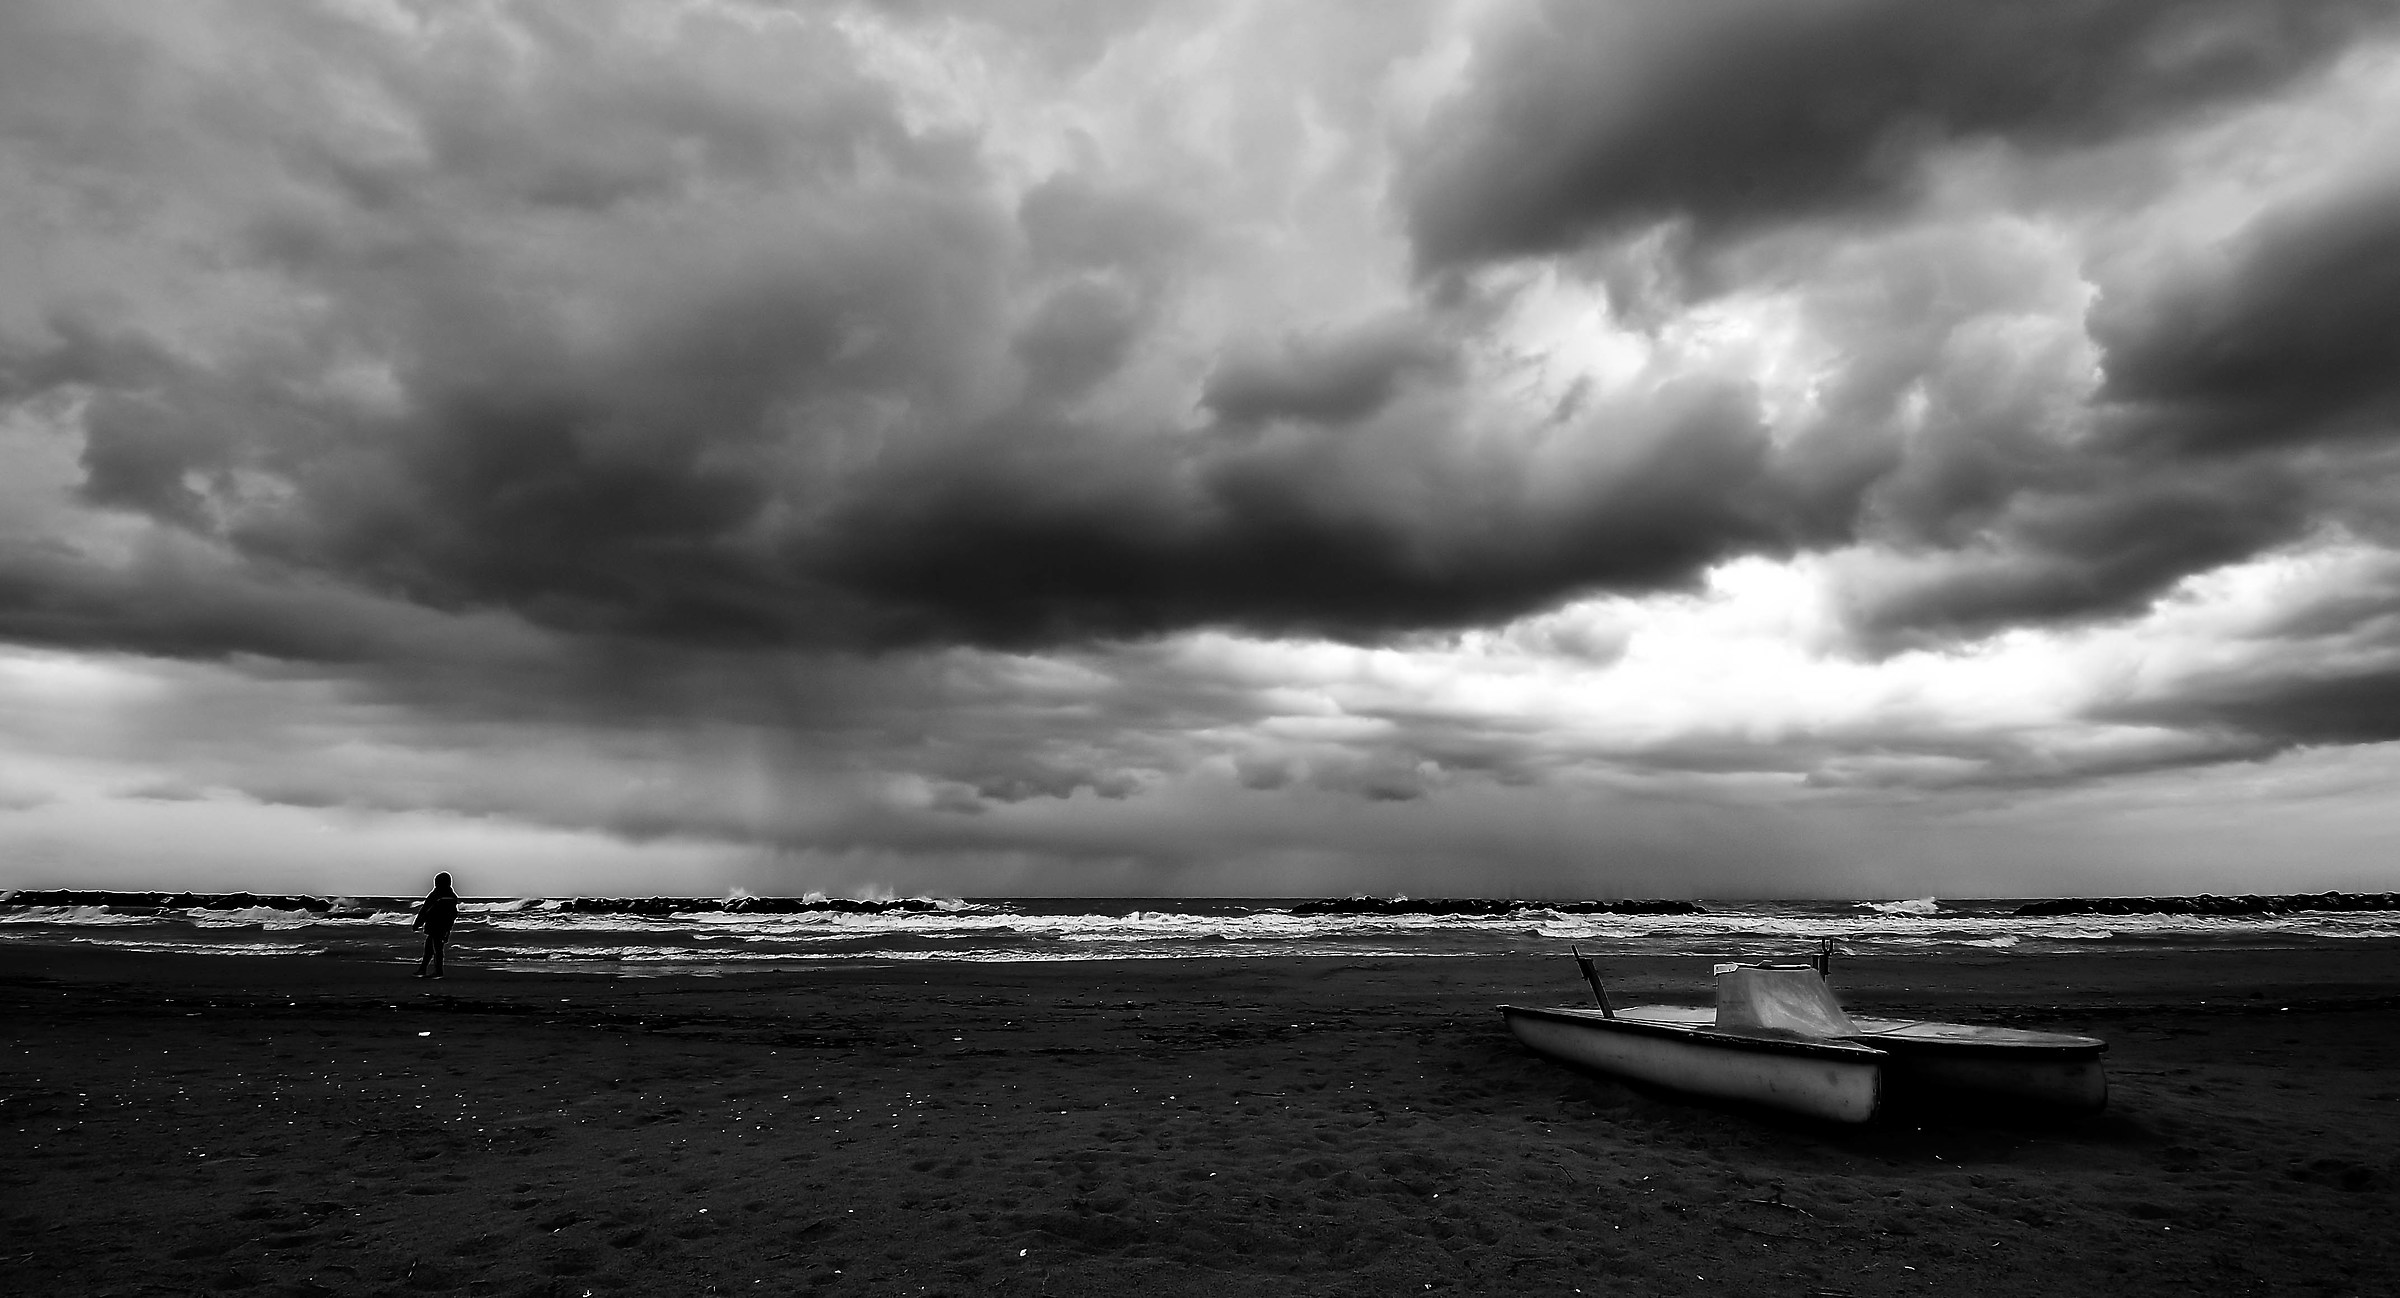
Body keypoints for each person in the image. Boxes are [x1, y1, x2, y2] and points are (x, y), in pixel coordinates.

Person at [412, 872, 461, 979]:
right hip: (445, 925)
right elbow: (454, 913)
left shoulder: (436, 895)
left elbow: (425, 910)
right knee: (430, 946)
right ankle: (423, 969)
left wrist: (417, 923)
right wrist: (449, 928)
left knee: (436, 947)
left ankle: (438, 971)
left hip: (435, 924)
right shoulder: (452, 896)